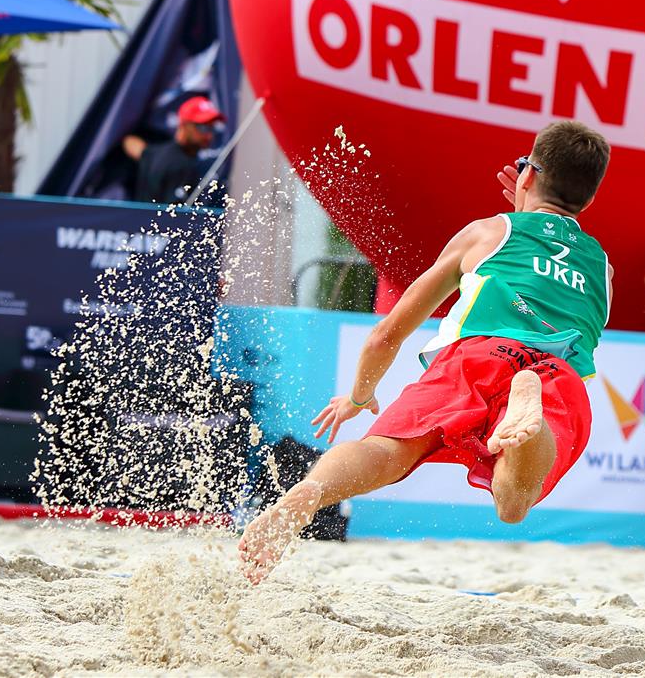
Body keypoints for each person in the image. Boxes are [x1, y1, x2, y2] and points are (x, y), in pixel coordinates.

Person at [238, 121, 613, 584]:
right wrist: (530, 211)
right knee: (513, 502)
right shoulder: (604, 269)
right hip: (556, 372)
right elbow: (550, 259)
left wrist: (358, 397)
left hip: (477, 357)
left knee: (386, 452)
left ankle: (312, 491)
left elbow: (386, 335)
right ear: (589, 200)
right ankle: (525, 406)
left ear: (529, 176)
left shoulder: (487, 233)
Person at [122, 95, 222, 204]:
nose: (209, 135)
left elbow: (131, 144)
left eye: (212, 128)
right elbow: (173, 212)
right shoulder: (180, 165)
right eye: (203, 128)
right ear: (184, 125)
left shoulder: (156, 153)